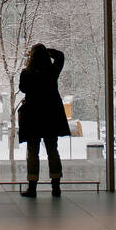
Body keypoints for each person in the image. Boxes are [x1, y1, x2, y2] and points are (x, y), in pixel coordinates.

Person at [17, 45, 69, 198]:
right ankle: (56, 187)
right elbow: (60, 56)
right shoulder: (52, 72)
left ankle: (32, 187)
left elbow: (23, 89)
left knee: (33, 152)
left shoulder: (26, 73)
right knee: (52, 150)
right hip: (50, 115)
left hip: (33, 116)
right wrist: (49, 52)